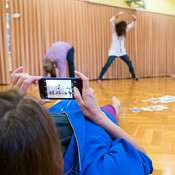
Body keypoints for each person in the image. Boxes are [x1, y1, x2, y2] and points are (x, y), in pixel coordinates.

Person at [1, 66, 153, 175]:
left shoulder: (16, 144)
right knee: (111, 109)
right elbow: (142, 157)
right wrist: (100, 117)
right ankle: (115, 106)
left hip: (64, 109)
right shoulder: (96, 169)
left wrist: (17, 107)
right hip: (96, 120)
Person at [98, 11, 139, 83]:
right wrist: (117, 15)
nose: (125, 30)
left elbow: (132, 25)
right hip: (113, 52)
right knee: (108, 64)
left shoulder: (124, 30)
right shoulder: (114, 30)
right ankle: (99, 78)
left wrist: (134, 20)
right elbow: (111, 21)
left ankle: (134, 77)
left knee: (129, 62)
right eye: (124, 28)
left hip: (122, 52)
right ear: (121, 28)